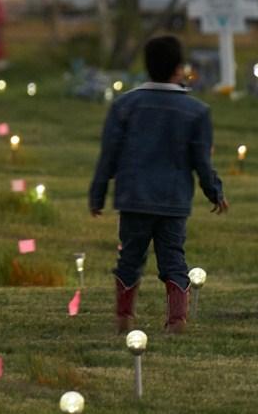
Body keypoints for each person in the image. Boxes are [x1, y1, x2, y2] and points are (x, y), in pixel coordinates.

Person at [88, 35, 228, 334]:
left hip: (134, 197)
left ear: (147, 65)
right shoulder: (196, 112)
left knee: (129, 258)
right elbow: (201, 160)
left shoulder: (125, 106)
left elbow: (109, 153)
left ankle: (124, 318)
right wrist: (214, 190)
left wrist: (98, 192)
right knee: (174, 258)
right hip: (173, 199)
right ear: (179, 69)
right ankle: (177, 321)